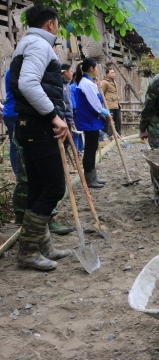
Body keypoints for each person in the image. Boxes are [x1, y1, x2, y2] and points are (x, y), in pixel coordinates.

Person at [10, 4, 72, 271]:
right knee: (54, 187)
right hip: (38, 126)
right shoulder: (38, 45)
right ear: (50, 24)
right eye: (57, 24)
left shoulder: (26, 43)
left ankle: (42, 246)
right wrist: (54, 117)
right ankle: (26, 252)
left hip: (29, 125)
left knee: (37, 187)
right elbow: (28, 83)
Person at [74, 57, 110, 188]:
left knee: (92, 148)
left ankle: (93, 176)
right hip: (89, 120)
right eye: (97, 68)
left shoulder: (88, 82)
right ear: (91, 68)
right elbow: (94, 105)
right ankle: (90, 179)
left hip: (90, 120)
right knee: (89, 150)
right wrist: (105, 113)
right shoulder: (86, 83)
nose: (98, 70)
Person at [2, 69, 18, 175]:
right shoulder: (16, 71)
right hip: (15, 112)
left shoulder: (10, 71)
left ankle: (18, 172)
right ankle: (19, 173)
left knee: (14, 144)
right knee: (16, 145)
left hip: (10, 111)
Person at [101, 68, 122, 139]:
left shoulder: (114, 82)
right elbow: (101, 93)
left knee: (118, 119)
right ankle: (110, 135)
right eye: (111, 73)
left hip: (116, 104)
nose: (114, 74)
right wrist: (102, 103)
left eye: (114, 73)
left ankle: (119, 133)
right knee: (110, 120)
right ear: (107, 74)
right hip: (109, 104)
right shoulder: (104, 82)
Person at [60, 64, 74, 128]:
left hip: (69, 118)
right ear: (65, 72)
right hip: (63, 118)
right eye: (71, 71)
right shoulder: (59, 84)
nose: (72, 73)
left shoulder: (67, 85)